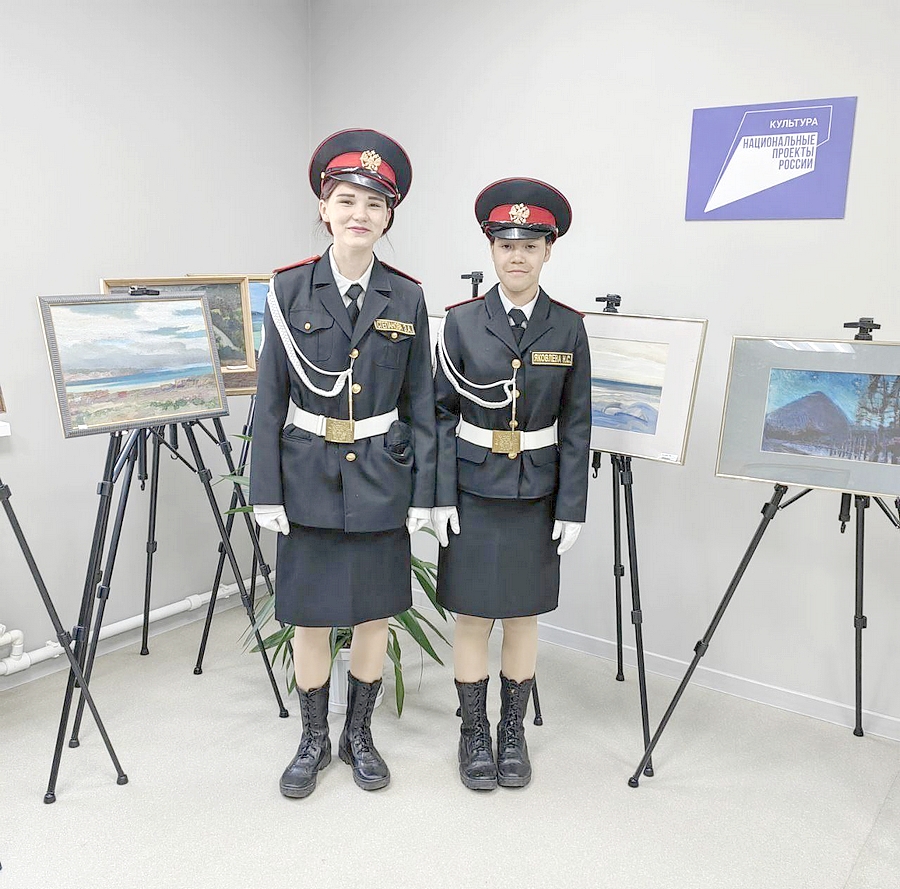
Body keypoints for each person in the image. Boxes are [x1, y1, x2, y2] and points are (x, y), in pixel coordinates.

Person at [250, 129, 435, 798]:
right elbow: (270, 397)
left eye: (375, 204)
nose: (361, 214)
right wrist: (264, 488)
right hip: (307, 479)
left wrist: (425, 492)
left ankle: (359, 734)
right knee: (308, 617)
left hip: (382, 479)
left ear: (389, 217)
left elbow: (420, 401)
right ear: (324, 208)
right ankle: (313, 739)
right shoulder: (288, 289)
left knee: (373, 616)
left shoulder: (407, 297)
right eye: (347, 200)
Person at [432, 178, 591, 790]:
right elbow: (440, 415)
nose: (517, 256)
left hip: (537, 496)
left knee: (523, 617)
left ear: (549, 251)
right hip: (473, 491)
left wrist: (571, 505)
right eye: (506, 244)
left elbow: (576, 423)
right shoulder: (462, 323)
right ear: (491, 250)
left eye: (530, 244)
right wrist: (440, 495)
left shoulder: (568, 327)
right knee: (472, 617)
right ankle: (474, 732)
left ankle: (512, 732)